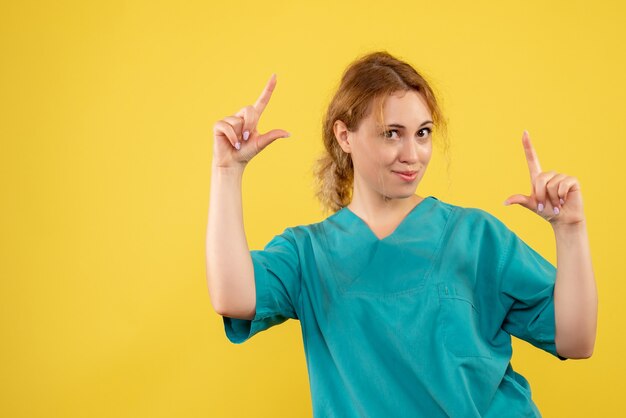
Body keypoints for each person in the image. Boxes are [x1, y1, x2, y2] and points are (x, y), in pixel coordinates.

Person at [206, 51, 598, 417]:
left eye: (423, 133)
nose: (412, 154)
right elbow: (232, 297)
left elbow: (577, 341)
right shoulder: (309, 253)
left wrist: (571, 230)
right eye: (392, 133)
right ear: (345, 136)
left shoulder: (475, 236)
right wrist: (227, 173)